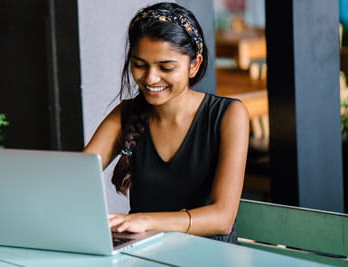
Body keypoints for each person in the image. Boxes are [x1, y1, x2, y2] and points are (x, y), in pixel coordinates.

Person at [83, 2, 249, 243]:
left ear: (194, 64)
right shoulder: (125, 114)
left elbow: (222, 219)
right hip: (145, 253)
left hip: (210, 255)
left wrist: (146, 220)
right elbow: (75, 179)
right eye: (140, 65)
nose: (150, 78)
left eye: (166, 67)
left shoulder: (228, 114)